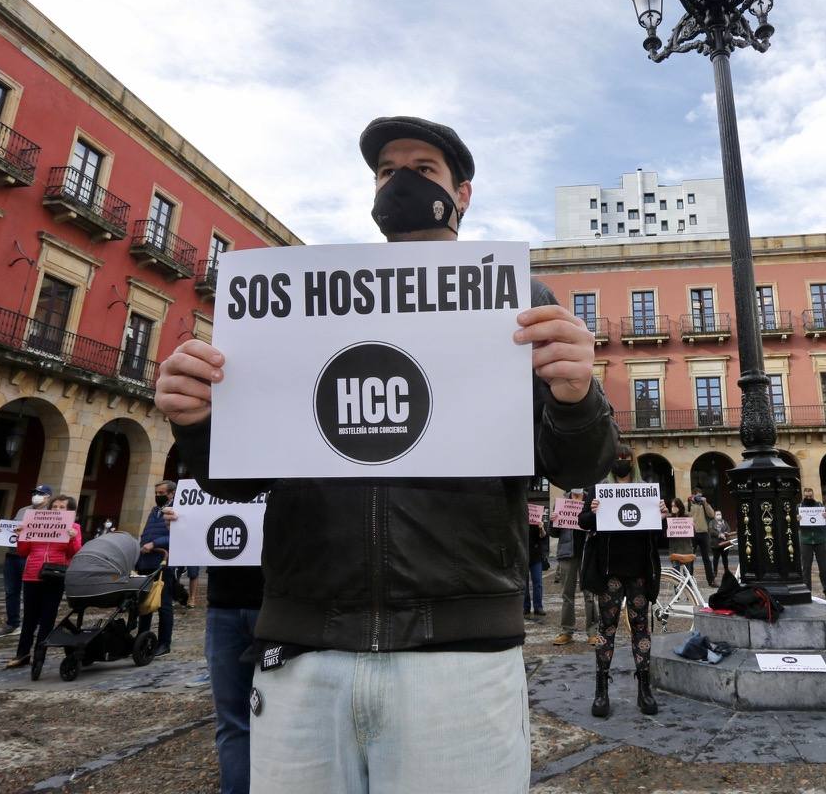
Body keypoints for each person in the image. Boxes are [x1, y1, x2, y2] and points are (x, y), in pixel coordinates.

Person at [154, 115, 618, 793]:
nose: (399, 181)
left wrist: (578, 398)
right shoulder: (295, 299)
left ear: (462, 193)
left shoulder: (521, 301)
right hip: (305, 650)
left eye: (422, 169)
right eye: (384, 170)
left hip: (460, 656)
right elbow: (239, 481)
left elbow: (578, 467)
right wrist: (197, 424)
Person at [162, 505, 264, 794]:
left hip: (278, 605)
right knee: (232, 718)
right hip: (224, 604)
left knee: (286, 716)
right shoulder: (219, 476)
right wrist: (184, 525)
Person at [579, 482, 668, 718]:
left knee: (640, 627)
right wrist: (593, 511)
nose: (621, 462)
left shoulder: (645, 489)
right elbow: (583, 521)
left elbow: (660, 533)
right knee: (607, 628)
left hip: (639, 572)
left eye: (626, 459)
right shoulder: (598, 490)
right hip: (611, 574)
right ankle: (601, 690)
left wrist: (663, 515)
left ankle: (644, 688)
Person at [7, 494, 81, 668]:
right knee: (29, 617)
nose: (57, 510)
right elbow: (24, 552)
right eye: (54, 507)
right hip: (32, 574)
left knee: (48, 617)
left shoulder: (75, 527)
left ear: (70, 511)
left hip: (55, 575)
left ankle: (40, 655)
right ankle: (22, 654)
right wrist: (21, 536)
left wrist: (71, 537)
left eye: (62, 507)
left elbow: (75, 553)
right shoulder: (35, 524)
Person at [0, 485, 50, 634]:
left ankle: (34, 622)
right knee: (11, 590)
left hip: (31, 556)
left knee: (32, 591)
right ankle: (12, 623)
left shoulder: (50, 514)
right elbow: (11, 528)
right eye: (35, 493)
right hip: (12, 555)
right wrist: (0, 531)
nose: (36, 495)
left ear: (48, 497)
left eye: (40, 493)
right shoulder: (23, 510)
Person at [551, 488, 599, 646]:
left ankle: (593, 632)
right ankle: (566, 631)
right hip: (567, 553)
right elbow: (554, 533)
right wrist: (553, 521)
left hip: (588, 551)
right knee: (567, 594)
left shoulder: (590, 499)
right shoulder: (561, 502)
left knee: (590, 595)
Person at [137, 480, 176, 657]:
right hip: (146, 561)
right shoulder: (155, 511)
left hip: (163, 561)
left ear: (171, 494)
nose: (158, 496)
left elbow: (176, 535)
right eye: (157, 493)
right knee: (144, 603)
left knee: (164, 604)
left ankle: (164, 643)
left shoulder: (176, 511)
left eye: (161, 493)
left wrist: (155, 544)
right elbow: (146, 532)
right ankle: (142, 639)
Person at [798, 487, 826, 599]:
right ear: (803, 496)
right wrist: (796, 519)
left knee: (824, 567)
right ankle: (806, 591)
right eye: (806, 496)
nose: (809, 498)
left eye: (810, 496)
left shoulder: (820, 506)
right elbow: (793, 523)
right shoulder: (799, 507)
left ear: (813, 495)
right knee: (806, 567)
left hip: (820, 539)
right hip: (806, 540)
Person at [525, 506, 548, 619]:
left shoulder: (536, 520)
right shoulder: (519, 521)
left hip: (535, 555)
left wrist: (541, 527)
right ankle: (526, 607)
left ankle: (538, 606)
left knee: (537, 583)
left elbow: (543, 536)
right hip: (522, 555)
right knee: (524, 583)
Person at [665, 497, 693, 573]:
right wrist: (668, 530)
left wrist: (692, 527)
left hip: (686, 549)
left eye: (675, 506)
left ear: (679, 507)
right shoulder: (669, 518)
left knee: (687, 573)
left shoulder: (686, 517)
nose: (673, 508)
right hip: (674, 549)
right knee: (676, 574)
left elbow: (693, 533)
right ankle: (676, 585)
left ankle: (688, 584)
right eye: (672, 506)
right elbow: (665, 535)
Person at [710, 508, 733, 575]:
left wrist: (726, 533)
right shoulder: (712, 522)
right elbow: (711, 531)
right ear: (714, 515)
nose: (719, 515)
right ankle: (715, 571)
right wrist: (719, 535)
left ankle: (726, 570)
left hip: (725, 543)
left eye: (720, 514)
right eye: (717, 514)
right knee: (716, 558)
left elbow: (728, 529)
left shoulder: (724, 521)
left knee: (725, 558)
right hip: (716, 544)